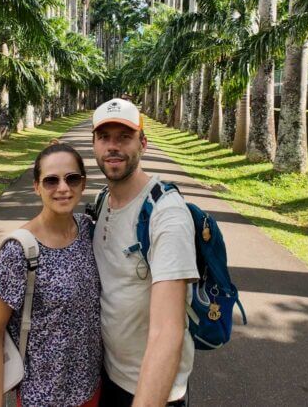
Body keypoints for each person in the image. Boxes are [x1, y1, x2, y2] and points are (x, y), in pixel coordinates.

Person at [0, 140, 103, 407]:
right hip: (42, 397)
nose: (63, 188)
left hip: (91, 390)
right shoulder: (19, 251)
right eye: (51, 180)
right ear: (36, 186)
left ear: (83, 183)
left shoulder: (87, 230)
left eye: (72, 178)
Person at [91, 98, 198, 406]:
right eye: (104, 137)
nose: (113, 146)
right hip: (108, 375)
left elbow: (168, 332)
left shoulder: (166, 213)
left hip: (150, 389)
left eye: (124, 137)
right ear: (94, 145)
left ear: (143, 143)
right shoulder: (102, 201)